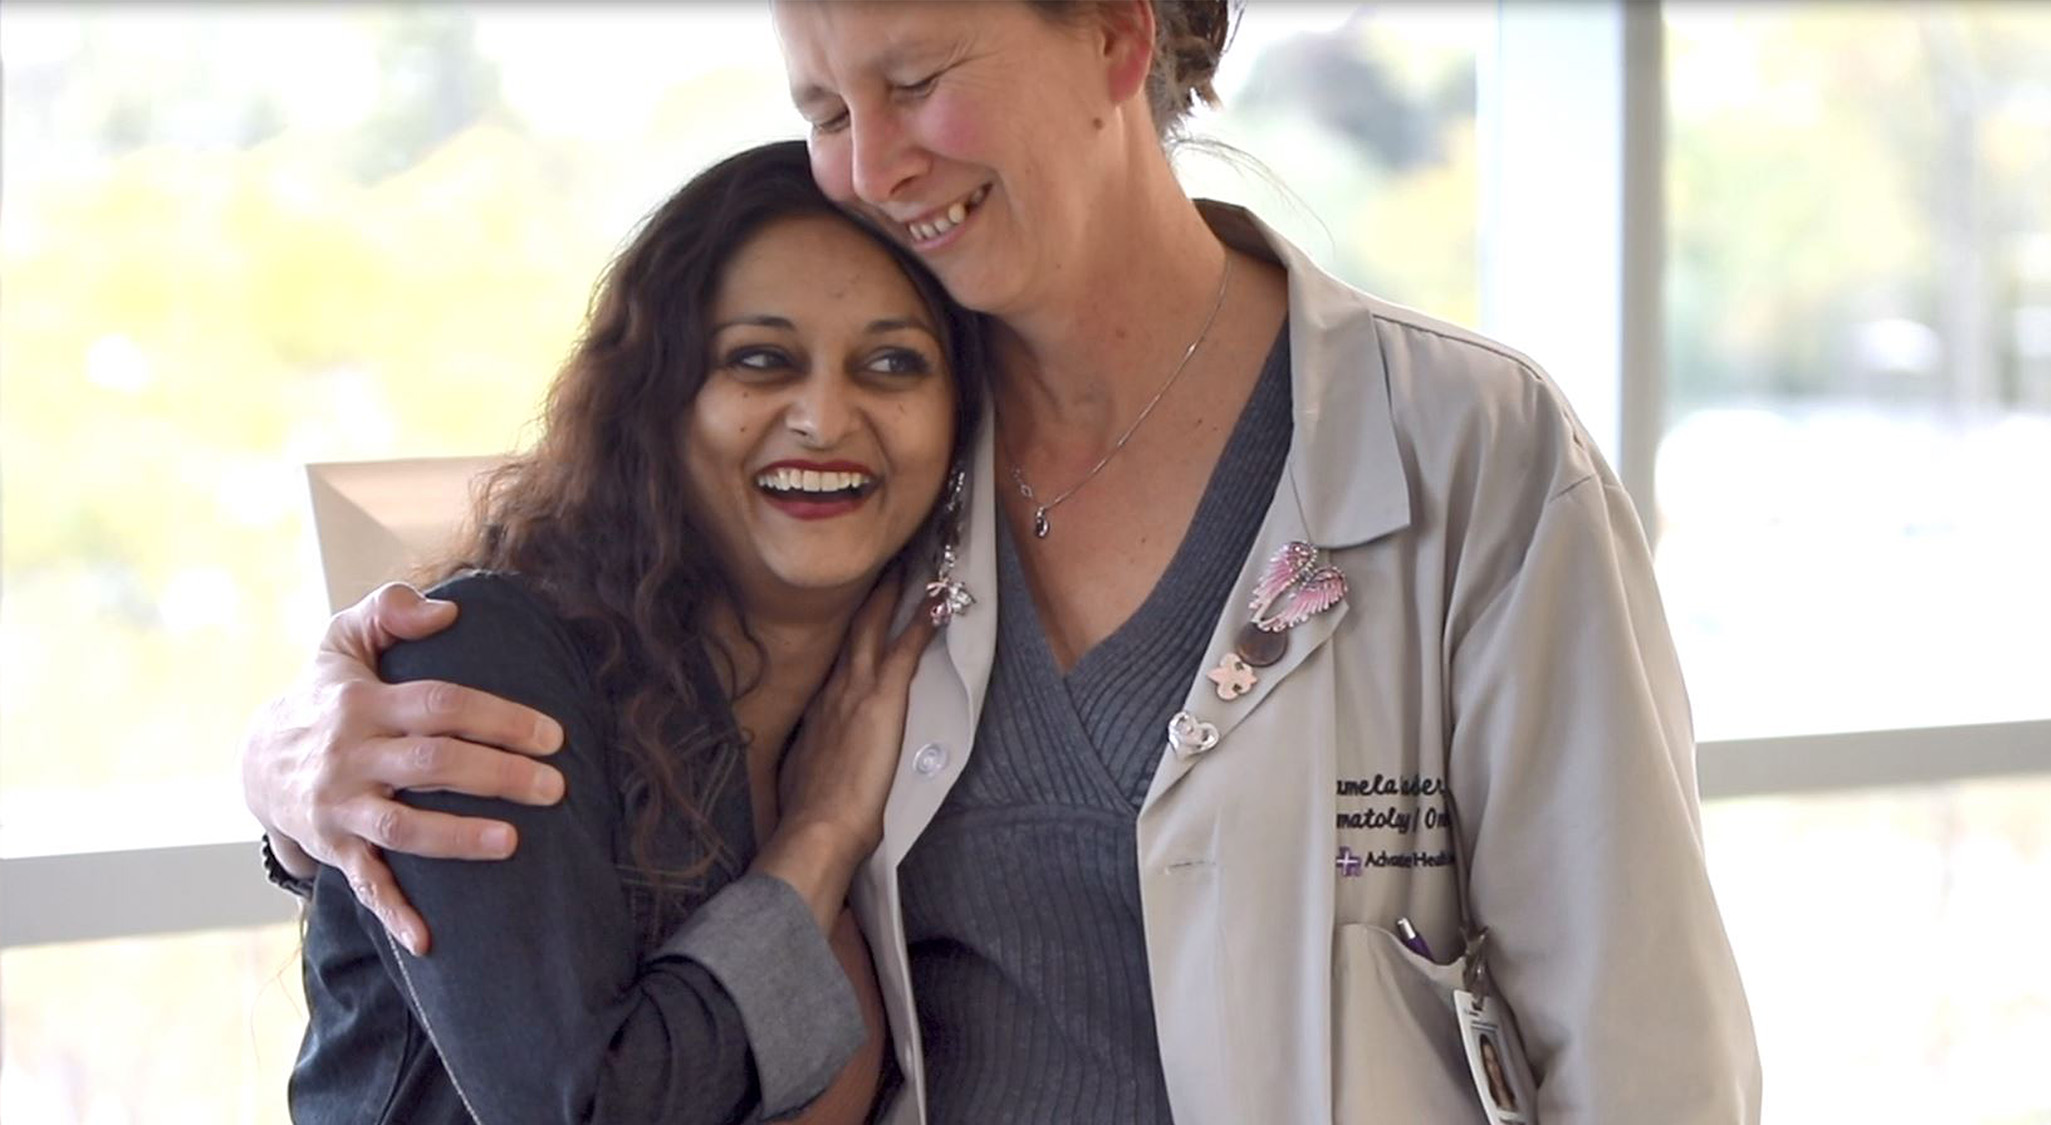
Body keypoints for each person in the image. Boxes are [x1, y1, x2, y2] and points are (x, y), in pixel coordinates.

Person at [246, 3, 1763, 1121]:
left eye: (913, 82)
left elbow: (1645, 1053)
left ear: (1114, 34)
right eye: (825, 107)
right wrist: (293, 773)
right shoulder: (874, 463)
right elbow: (560, 584)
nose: (867, 165)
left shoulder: (1463, 453)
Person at [284, 140, 987, 1123]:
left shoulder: (930, 699)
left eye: (891, 363)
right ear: (657, 398)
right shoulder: (485, 664)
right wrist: (820, 836)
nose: (825, 418)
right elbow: (583, 1109)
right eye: (759, 360)